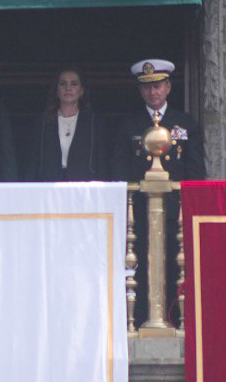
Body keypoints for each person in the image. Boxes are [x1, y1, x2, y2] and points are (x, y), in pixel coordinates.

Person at [111, 58, 205, 325]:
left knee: (176, 266)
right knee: (138, 264)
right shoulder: (128, 125)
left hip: (174, 211)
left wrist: (192, 208)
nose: (153, 92)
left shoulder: (185, 124)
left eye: (158, 86)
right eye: (147, 87)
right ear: (141, 91)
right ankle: (139, 319)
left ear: (168, 87)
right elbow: (119, 169)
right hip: (138, 211)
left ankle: (176, 319)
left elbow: (196, 172)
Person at [27, 66, 106, 180]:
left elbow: (101, 161)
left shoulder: (94, 122)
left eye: (74, 84)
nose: (68, 88)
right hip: (49, 187)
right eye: (63, 84)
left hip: (83, 187)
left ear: (81, 91)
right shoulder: (43, 121)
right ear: (56, 90)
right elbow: (33, 162)